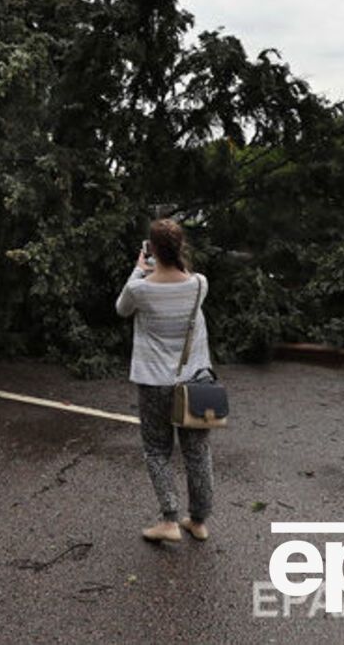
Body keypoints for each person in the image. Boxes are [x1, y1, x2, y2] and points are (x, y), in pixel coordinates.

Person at [115, 218, 213, 543]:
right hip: (196, 382)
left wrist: (138, 269)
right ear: (181, 246)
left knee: (157, 450)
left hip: (154, 383)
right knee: (197, 452)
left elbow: (121, 308)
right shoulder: (200, 284)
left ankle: (169, 519)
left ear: (152, 249)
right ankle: (198, 521)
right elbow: (181, 278)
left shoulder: (139, 288)